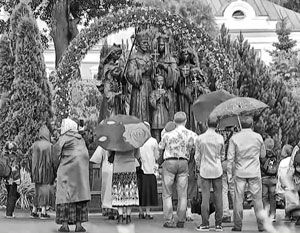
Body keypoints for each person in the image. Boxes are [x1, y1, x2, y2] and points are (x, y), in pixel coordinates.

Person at [227, 116, 266, 232]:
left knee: (238, 199)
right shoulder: (258, 137)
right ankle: (261, 225)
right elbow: (263, 155)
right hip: (254, 171)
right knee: (257, 200)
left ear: (240, 125)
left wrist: (229, 173)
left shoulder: (234, 138)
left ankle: (238, 226)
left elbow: (230, 158)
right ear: (252, 125)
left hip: (240, 172)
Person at [52, 118, 91, 232]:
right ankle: (79, 225)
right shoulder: (81, 139)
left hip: (66, 172)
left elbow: (55, 155)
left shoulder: (63, 138)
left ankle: (65, 225)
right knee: (79, 197)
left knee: (65, 197)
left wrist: (56, 168)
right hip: (81, 174)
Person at [159, 111, 195, 228]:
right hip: (184, 162)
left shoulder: (168, 134)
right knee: (183, 193)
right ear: (185, 121)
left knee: (167, 193)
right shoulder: (191, 134)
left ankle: (169, 219)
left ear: (174, 121)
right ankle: (181, 219)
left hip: (169, 162)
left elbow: (160, 147)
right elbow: (196, 147)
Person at [195, 118, 225, 231]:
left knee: (205, 197)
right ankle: (218, 224)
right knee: (218, 197)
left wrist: (198, 166)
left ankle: (205, 223)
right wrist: (219, 162)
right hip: (217, 169)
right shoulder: (220, 138)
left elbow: (197, 156)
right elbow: (222, 154)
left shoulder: (200, 138)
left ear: (207, 124)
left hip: (205, 169)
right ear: (217, 125)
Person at [126, 30, 154, 123]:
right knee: (140, 112)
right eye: (144, 43)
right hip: (139, 89)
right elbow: (129, 74)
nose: (146, 44)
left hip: (149, 87)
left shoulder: (150, 56)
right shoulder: (134, 57)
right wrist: (141, 71)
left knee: (150, 113)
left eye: (147, 42)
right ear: (138, 44)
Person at [110, 149, 140, 224]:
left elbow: (109, 154)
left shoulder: (115, 141)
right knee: (129, 192)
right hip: (130, 168)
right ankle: (128, 216)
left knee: (119, 192)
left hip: (118, 168)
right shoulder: (133, 140)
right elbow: (137, 155)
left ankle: (120, 216)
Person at [30, 125, 54, 219]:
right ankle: (43, 211)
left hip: (36, 171)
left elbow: (29, 158)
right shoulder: (50, 146)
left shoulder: (34, 144)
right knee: (44, 190)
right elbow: (53, 160)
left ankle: (34, 210)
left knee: (37, 190)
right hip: (46, 171)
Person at [137, 122, 159, 219]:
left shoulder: (137, 141)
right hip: (150, 169)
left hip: (140, 169)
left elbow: (136, 155)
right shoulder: (153, 141)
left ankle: (141, 211)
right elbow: (157, 156)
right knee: (149, 191)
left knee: (140, 190)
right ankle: (148, 212)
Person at [156, 35, 179, 120]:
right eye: (158, 45)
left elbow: (176, 74)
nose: (159, 47)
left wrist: (165, 67)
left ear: (166, 46)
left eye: (162, 45)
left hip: (168, 90)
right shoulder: (155, 57)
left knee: (168, 114)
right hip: (156, 90)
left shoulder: (171, 59)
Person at [90, 146, 116, 220]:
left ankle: (108, 211)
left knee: (106, 190)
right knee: (115, 190)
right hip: (117, 168)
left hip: (106, 168)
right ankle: (117, 210)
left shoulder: (103, 144)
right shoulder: (119, 144)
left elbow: (96, 159)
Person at [260, 138, 278, 221]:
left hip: (264, 178)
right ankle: (273, 215)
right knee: (272, 197)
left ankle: (266, 214)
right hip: (273, 179)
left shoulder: (263, 154)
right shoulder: (275, 155)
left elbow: (261, 165)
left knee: (264, 197)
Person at [1, 141, 21, 218]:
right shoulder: (15, 157)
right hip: (13, 179)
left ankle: (10, 212)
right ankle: (9, 213)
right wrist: (18, 179)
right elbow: (15, 169)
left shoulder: (3, 156)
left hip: (6, 178)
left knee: (10, 194)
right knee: (12, 196)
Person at [149, 75, 171, 142]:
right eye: (159, 81)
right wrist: (158, 96)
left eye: (162, 81)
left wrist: (166, 97)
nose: (160, 83)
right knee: (156, 132)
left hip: (164, 112)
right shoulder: (153, 92)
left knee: (165, 131)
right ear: (156, 82)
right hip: (156, 113)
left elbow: (170, 103)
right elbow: (151, 102)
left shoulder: (166, 91)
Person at [276, 144, 293, 221]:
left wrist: (281, 184)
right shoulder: (293, 160)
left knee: (287, 200)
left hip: (285, 185)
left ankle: (288, 215)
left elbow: (281, 175)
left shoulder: (283, 162)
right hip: (293, 183)